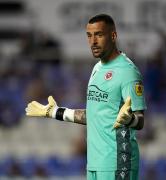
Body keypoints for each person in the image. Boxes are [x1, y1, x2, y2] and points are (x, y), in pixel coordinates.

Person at [25, 14, 147, 180]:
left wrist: (129, 119)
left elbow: (140, 120)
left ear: (113, 36)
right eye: (89, 36)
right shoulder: (97, 68)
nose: (93, 41)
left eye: (99, 35)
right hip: (94, 164)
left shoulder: (127, 72)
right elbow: (94, 115)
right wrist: (55, 112)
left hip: (118, 163)